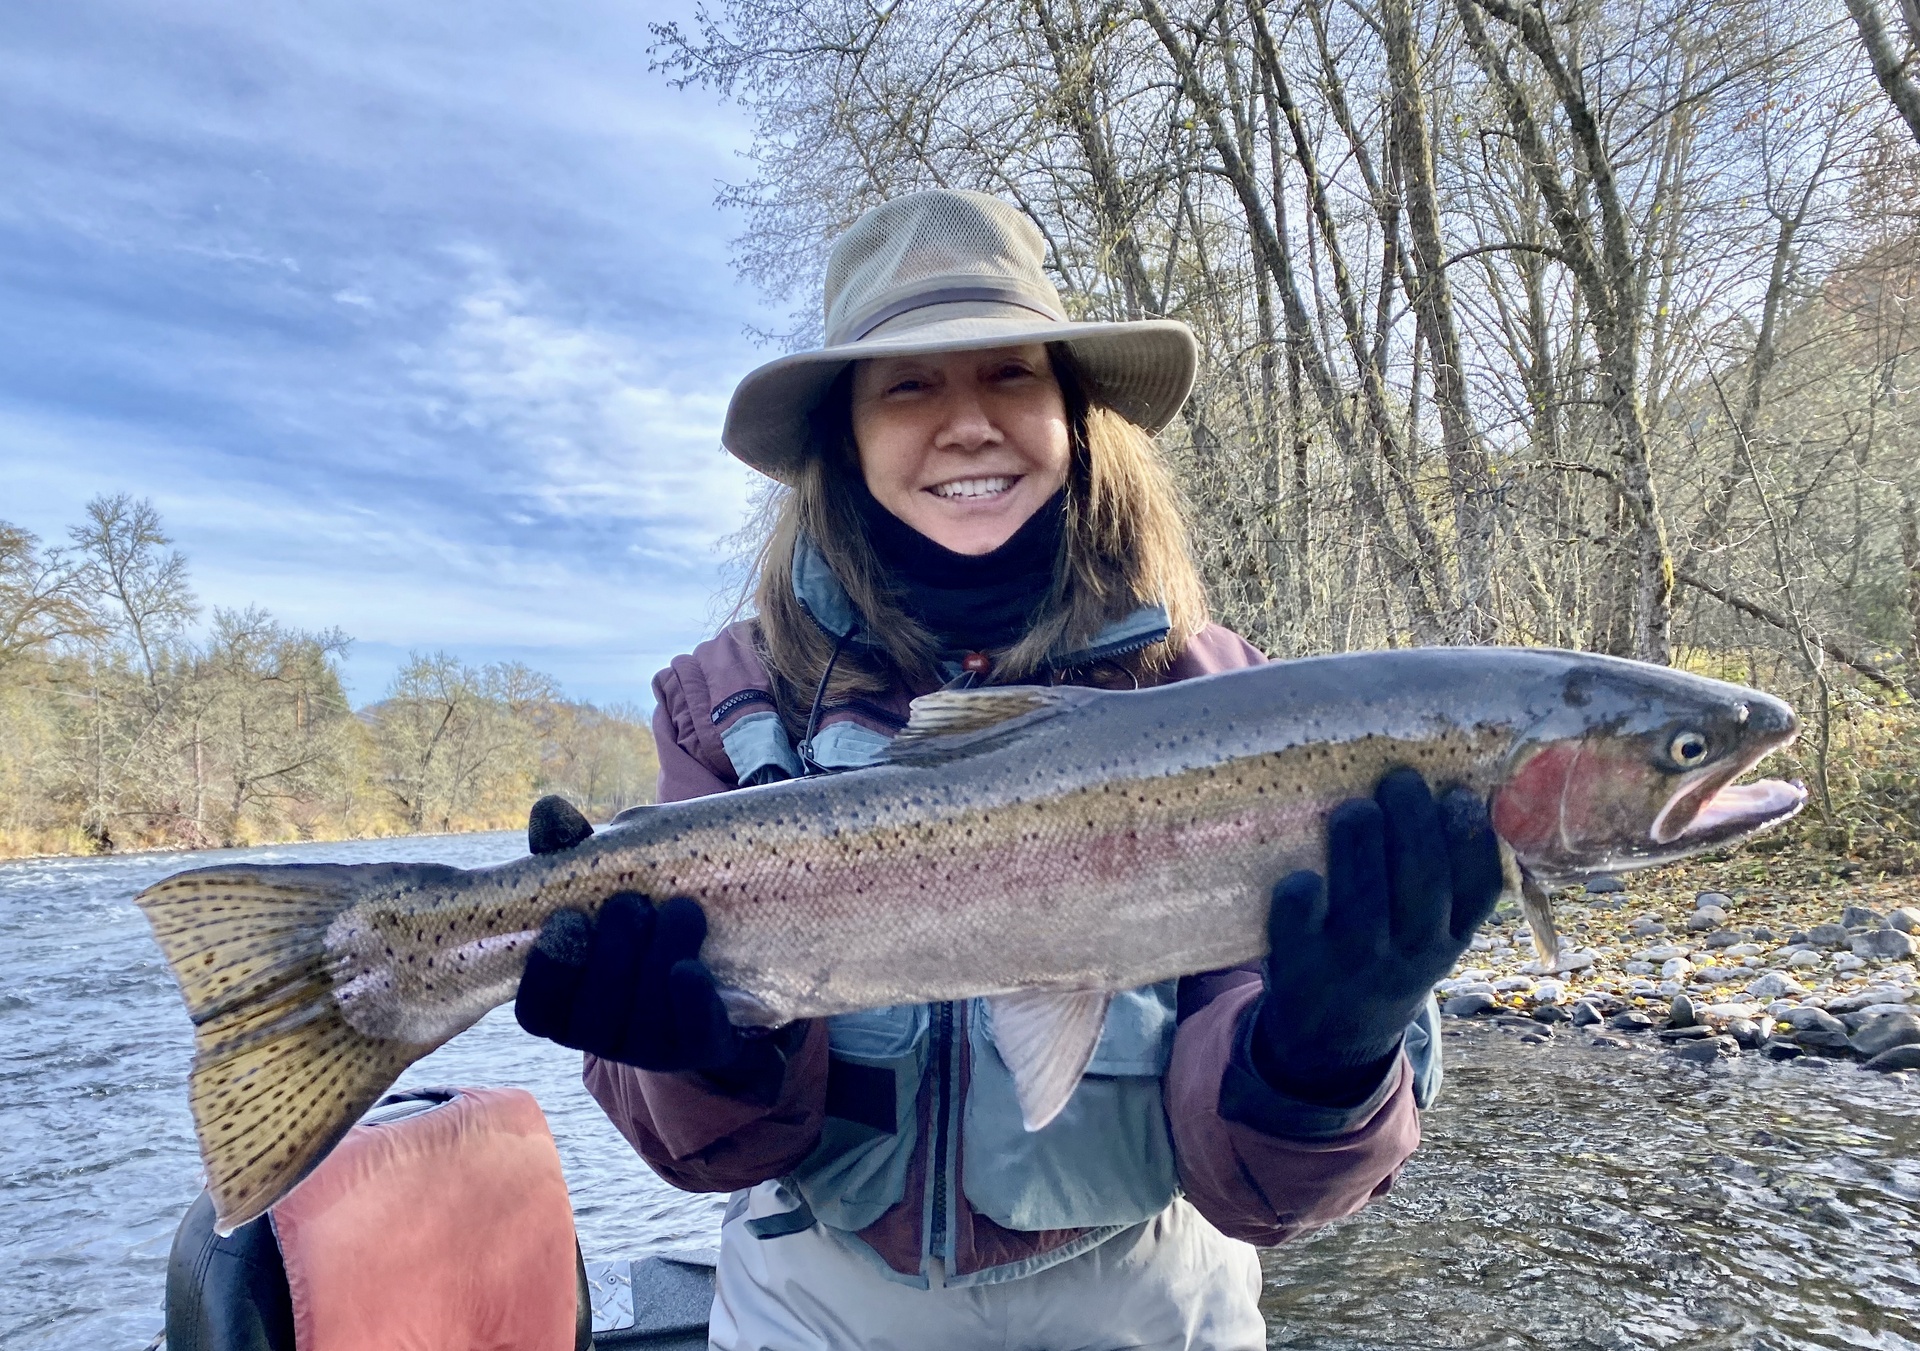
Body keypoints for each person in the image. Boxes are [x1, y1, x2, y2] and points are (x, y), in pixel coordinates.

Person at [514, 189, 1501, 1350]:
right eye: (910, 386)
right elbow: (710, 1152)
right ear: (846, 437)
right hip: (816, 1305)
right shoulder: (732, 702)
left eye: (1013, 376)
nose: (968, 423)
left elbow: (1267, 1194)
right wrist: (701, 1057)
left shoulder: (1225, 707)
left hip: (1151, 1303)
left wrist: (1325, 1054)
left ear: (1077, 416)